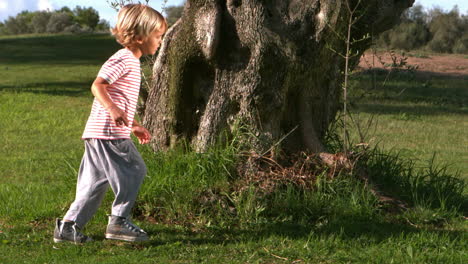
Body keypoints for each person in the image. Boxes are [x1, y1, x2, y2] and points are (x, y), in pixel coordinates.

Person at [53, 4, 167, 243]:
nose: (160, 41)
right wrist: (113, 109)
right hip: (108, 134)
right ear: (139, 37)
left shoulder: (131, 62)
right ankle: (118, 222)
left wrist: (133, 124)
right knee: (135, 170)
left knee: (94, 184)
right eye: (157, 36)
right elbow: (98, 85)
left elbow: (120, 99)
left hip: (101, 132)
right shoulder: (124, 59)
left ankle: (68, 227)